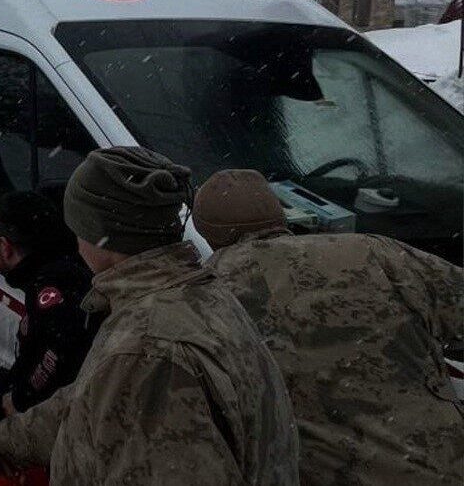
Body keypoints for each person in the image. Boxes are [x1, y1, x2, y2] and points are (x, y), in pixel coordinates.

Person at [0, 147, 299, 486]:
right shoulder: (194, 295)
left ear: (96, 234)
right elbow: (91, 401)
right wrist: (8, 440)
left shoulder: (148, 352)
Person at [193, 168, 464, 486]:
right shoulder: (373, 253)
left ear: (208, 234)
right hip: (440, 467)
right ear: (281, 214)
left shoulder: (203, 298)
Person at [0, 191, 101, 422]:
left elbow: (57, 355)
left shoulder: (50, 287)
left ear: (5, 247)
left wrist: (18, 401)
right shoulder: (67, 268)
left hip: (69, 426)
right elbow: (32, 355)